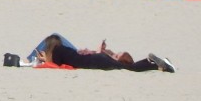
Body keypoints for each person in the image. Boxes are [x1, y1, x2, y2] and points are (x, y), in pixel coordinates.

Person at [37, 34, 174, 72]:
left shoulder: (57, 52)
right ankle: (151, 62)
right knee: (127, 68)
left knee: (129, 68)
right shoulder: (62, 50)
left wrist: (44, 60)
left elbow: (54, 65)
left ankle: (156, 65)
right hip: (97, 59)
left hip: (96, 61)